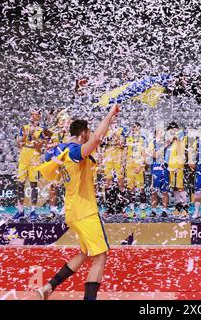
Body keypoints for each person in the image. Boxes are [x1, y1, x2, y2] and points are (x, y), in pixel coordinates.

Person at [35, 104, 120, 300]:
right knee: (100, 256)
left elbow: (47, 155)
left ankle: (48, 287)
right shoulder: (74, 152)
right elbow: (97, 139)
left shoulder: (60, 150)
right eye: (87, 134)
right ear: (82, 135)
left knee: (84, 253)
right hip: (85, 211)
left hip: (72, 211)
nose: (90, 137)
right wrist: (110, 114)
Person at [13, 109, 45, 221]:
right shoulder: (24, 127)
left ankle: (33, 211)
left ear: (39, 117)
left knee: (33, 185)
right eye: (32, 114)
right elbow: (18, 144)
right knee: (20, 184)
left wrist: (34, 136)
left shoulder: (42, 130)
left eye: (36, 115)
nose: (33, 116)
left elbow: (40, 146)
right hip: (24, 156)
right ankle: (20, 210)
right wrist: (25, 136)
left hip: (34, 157)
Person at [44, 110, 71, 220]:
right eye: (63, 121)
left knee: (68, 186)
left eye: (67, 121)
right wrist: (54, 144)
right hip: (56, 162)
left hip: (68, 162)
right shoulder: (54, 132)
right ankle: (53, 210)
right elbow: (47, 146)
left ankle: (66, 209)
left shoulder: (72, 133)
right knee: (53, 186)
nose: (65, 123)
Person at [101, 119, 127, 216]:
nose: (113, 121)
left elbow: (123, 144)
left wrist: (115, 135)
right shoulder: (105, 130)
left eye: (115, 120)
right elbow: (101, 144)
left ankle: (122, 209)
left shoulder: (121, 130)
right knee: (108, 183)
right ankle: (108, 208)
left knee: (120, 183)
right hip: (108, 158)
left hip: (118, 159)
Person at [124, 122, 147, 219]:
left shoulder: (143, 139)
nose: (135, 130)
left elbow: (144, 154)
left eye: (137, 128)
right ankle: (132, 211)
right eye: (133, 128)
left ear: (139, 129)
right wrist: (124, 164)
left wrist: (141, 165)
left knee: (141, 189)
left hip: (139, 166)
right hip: (129, 167)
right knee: (131, 189)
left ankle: (142, 211)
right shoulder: (128, 139)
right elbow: (125, 153)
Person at [166, 122, 189, 217]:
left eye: (172, 129)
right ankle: (178, 208)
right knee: (174, 187)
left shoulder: (180, 133)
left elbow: (179, 137)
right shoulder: (172, 139)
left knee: (180, 187)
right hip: (171, 164)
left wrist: (172, 136)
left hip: (179, 164)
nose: (171, 131)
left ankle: (185, 209)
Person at [149, 125, 170, 218]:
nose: (160, 133)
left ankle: (164, 210)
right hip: (155, 170)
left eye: (162, 132)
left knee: (164, 191)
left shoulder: (167, 143)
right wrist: (165, 146)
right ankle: (153, 210)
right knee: (154, 192)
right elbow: (154, 155)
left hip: (165, 170)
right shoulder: (152, 143)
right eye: (158, 132)